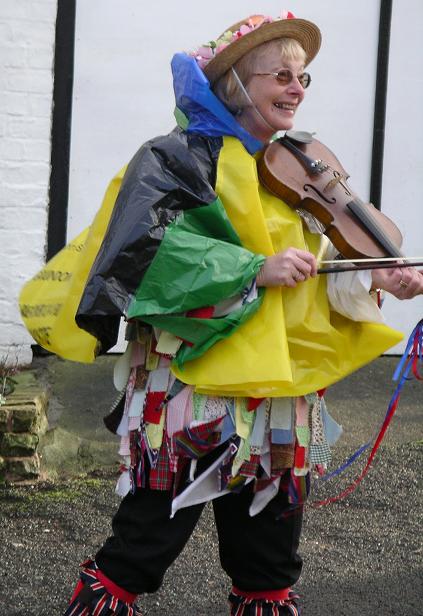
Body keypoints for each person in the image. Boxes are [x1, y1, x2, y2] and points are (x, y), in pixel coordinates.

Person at [63, 11, 423, 616]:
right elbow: (143, 255)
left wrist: (373, 273)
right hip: (190, 388)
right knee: (145, 542)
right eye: (281, 75)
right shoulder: (173, 158)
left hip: (278, 392)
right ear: (236, 81)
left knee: (269, 554)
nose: (296, 89)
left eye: (304, 79)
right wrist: (251, 270)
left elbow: (322, 266)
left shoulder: (302, 171)